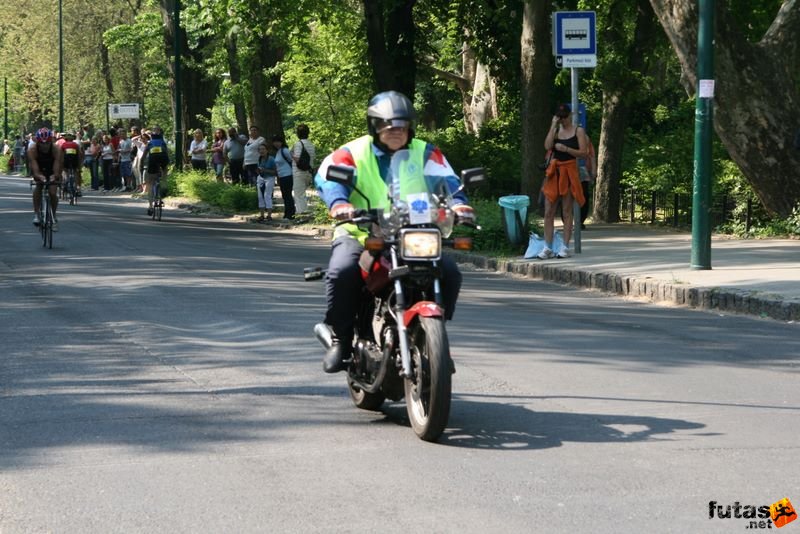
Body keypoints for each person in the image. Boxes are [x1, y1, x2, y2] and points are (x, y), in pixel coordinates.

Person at [314, 91, 475, 373]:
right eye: (388, 127)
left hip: (414, 235)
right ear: (374, 127)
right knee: (343, 271)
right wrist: (339, 202)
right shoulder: (353, 152)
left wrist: (460, 205)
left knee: (449, 271)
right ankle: (341, 338)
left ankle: (432, 336)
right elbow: (328, 176)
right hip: (363, 234)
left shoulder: (425, 151)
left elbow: (447, 180)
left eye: (401, 127)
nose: (395, 132)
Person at [539, 103, 588, 259]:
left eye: (565, 116)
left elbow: (584, 152)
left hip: (569, 170)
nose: (563, 119)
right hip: (554, 172)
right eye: (560, 116)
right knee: (548, 211)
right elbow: (547, 145)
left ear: (570, 115)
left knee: (566, 211)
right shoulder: (556, 130)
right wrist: (553, 125)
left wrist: (567, 150)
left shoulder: (578, 131)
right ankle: (547, 246)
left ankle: (565, 247)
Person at [28, 127, 64, 230]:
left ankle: (53, 216)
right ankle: (36, 214)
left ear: (51, 141)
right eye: (42, 143)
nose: (45, 146)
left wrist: (55, 175)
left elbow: (57, 164)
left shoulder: (56, 149)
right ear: (38, 142)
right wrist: (38, 175)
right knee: (39, 186)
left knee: (53, 192)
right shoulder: (32, 149)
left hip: (52, 168)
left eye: (47, 143)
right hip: (39, 167)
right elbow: (34, 167)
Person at [142, 126, 170, 215]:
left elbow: (143, 157)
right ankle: (164, 185)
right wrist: (167, 163)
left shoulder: (150, 143)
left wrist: (141, 165)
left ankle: (150, 206)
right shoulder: (162, 142)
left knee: (150, 183)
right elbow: (166, 152)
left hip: (153, 159)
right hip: (163, 157)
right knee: (165, 169)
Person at [291, 124, 316, 216]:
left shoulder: (298, 144)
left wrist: (290, 154)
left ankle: (301, 213)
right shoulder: (311, 144)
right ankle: (303, 211)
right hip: (308, 171)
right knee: (303, 193)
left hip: (298, 172)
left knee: (299, 193)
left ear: (298, 134)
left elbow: (297, 158)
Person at [272, 135, 295, 220]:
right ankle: (287, 213)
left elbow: (292, 161)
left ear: (282, 142)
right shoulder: (278, 152)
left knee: (288, 195)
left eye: (278, 141)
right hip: (281, 176)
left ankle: (291, 214)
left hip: (288, 175)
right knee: (284, 195)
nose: (276, 143)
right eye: (275, 142)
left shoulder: (284, 151)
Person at [577, 135, 597, 230]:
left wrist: (593, 170)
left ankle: (580, 221)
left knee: (584, 195)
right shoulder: (562, 134)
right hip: (568, 169)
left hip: (583, 170)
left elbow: (591, 155)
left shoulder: (585, 137)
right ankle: (569, 220)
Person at [256, 142, 277, 221]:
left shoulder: (271, 159)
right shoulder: (259, 159)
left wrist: (265, 170)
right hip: (261, 178)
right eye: (260, 149)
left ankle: (269, 215)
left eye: (263, 149)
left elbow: (275, 172)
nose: (262, 151)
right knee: (260, 196)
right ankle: (261, 215)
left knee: (267, 195)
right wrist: (258, 171)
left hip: (270, 178)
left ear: (267, 150)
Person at [60, 131, 83, 196]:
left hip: (66, 160)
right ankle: (76, 188)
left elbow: (61, 155)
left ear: (66, 139)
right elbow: (79, 154)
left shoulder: (63, 145)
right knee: (75, 172)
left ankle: (65, 182)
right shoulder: (76, 145)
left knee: (65, 171)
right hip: (74, 160)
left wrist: (61, 164)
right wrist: (79, 165)